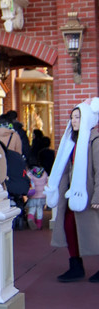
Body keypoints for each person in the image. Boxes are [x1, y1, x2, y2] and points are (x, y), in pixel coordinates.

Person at [45, 99, 99, 282]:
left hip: (90, 194)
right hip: (72, 194)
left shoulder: (95, 140)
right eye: (72, 117)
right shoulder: (70, 142)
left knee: (95, 231)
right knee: (69, 226)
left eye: (78, 117)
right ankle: (75, 265)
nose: (74, 120)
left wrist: (97, 195)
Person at [26, 164, 48, 230]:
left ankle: (30, 217)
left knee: (32, 208)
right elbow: (47, 183)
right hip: (42, 195)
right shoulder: (44, 173)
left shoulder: (29, 173)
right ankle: (39, 225)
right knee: (39, 209)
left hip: (33, 194)